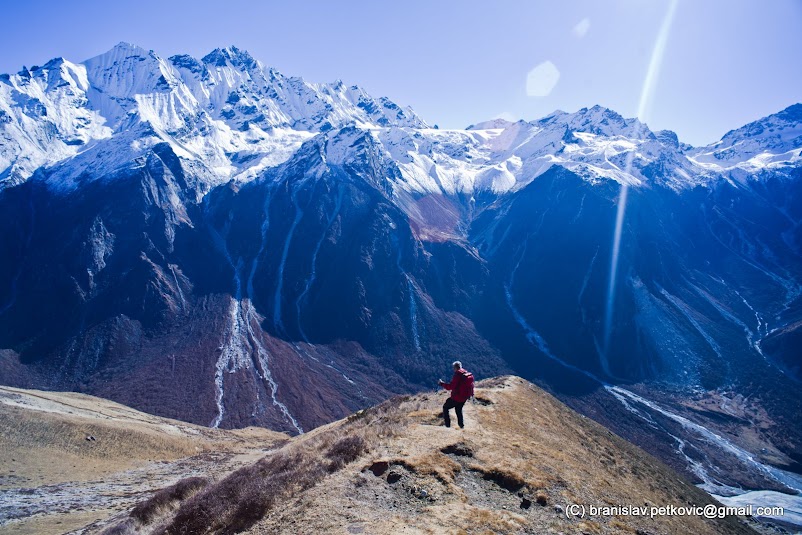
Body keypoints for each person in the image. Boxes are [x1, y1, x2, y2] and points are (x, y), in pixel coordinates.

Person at [438, 361, 474, 428]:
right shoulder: (466, 374)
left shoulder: (457, 375)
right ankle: (461, 426)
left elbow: (451, 386)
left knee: (445, 407)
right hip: (464, 397)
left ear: (455, 368)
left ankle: (447, 426)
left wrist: (442, 384)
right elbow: (471, 385)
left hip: (457, 397)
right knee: (458, 409)